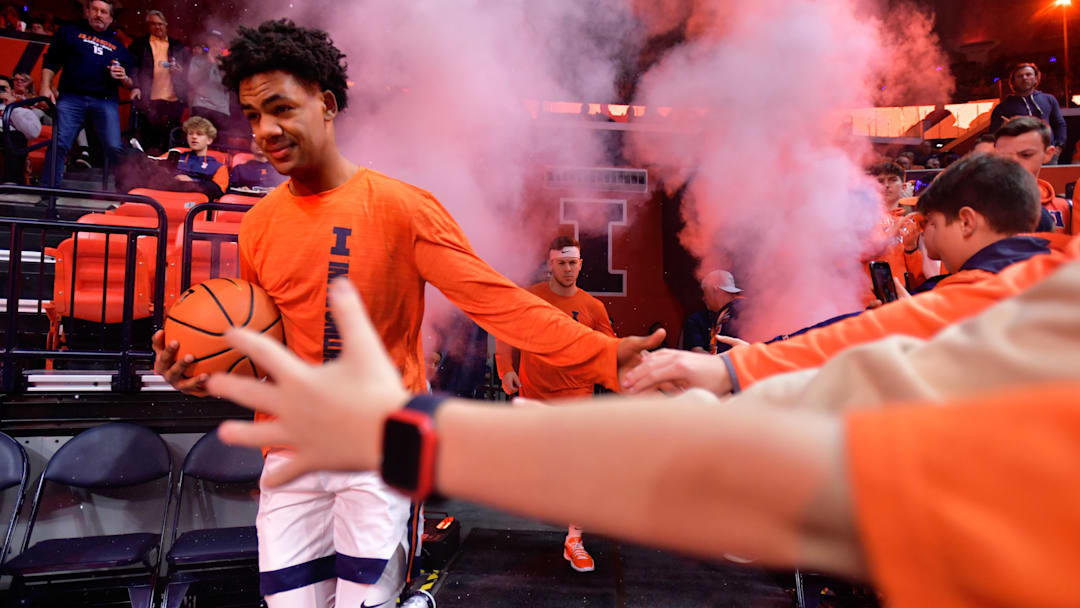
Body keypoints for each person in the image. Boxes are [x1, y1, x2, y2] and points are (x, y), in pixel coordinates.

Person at [150, 19, 661, 608]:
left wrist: (602, 353)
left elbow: (496, 302)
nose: (265, 130)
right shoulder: (261, 224)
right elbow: (263, 347)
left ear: (328, 104)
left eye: (280, 109)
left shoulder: (401, 208)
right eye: (252, 115)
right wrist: (203, 374)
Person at [209, 273, 1080, 608]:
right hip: (562, 412)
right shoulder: (1049, 293)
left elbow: (801, 472)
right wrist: (737, 375)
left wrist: (409, 435)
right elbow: (913, 337)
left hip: (584, 419)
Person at [621, 154, 1074, 398]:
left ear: (968, 222)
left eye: (929, 224)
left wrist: (732, 368)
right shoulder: (1056, 267)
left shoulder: (991, 291)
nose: (920, 235)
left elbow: (859, 335)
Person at [494, 235, 616, 572]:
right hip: (534, 397)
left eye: (573, 262)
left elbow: (611, 350)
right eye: (561, 262)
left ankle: (574, 539)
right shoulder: (531, 298)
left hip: (577, 399)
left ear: (581, 264)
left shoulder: (593, 307)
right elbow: (505, 335)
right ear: (550, 263)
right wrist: (506, 371)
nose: (567, 268)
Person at [39, 0, 135, 186]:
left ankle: (125, 197)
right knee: (59, 144)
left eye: (104, 12)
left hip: (105, 100)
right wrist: (45, 85)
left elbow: (131, 81)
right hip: (71, 96)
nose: (99, 15)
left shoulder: (119, 46)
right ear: (88, 12)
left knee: (115, 147)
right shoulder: (69, 32)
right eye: (95, 10)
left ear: (110, 18)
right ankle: (48, 194)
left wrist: (124, 77)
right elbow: (51, 61)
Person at [994, 116, 1073, 235]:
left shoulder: (1066, 208)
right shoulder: (976, 207)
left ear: (1048, 154)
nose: (1014, 162)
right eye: (1004, 156)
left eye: (1026, 155)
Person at [116, 115, 227, 198]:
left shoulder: (218, 167)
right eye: (190, 133)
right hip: (165, 189)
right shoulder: (175, 154)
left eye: (199, 134)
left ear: (209, 140)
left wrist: (192, 181)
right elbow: (155, 166)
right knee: (132, 158)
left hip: (191, 196)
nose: (194, 137)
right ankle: (124, 203)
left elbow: (218, 190)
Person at [127, 10, 189, 155]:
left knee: (170, 138)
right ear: (148, 26)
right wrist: (136, 86)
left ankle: (166, 170)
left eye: (160, 24)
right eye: (153, 24)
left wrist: (180, 71)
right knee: (148, 137)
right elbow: (133, 66)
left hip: (173, 98)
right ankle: (145, 170)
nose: (157, 27)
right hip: (149, 97)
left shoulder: (177, 46)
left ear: (166, 25)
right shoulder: (140, 44)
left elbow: (189, 70)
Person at [989, 63, 1067, 158]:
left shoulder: (1049, 99)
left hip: (1047, 154)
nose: (1024, 78)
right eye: (1020, 76)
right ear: (1013, 81)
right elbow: (994, 135)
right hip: (1019, 157)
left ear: (1036, 78)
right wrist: (1004, 128)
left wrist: (1059, 147)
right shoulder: (1002, 107)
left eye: (1028, 74)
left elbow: (1060, 124)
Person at [681, 269, 741, 354]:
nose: (703, 298)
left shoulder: (739, 310)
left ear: (714, 288)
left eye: (705, 291)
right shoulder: (728, 311)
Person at [187, 29, 231, 133]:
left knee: (219, 146)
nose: (215, 43)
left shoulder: (229, 64)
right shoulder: (197, 60)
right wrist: (209, 63)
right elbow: (193, 81)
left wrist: (221, 64)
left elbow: (230, 85)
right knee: (198, 142)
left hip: (221, 111)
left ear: (223, 44)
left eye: (218, 41)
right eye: (212, 39)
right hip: (201, 107)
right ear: (207, 41)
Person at [0, 75, 42, 183]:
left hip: (8, 139)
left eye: (3, 88)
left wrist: (12, 107)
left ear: (11, 91)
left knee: (17, 136)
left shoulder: (22, 110)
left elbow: (33, 133)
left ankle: (12, 183)